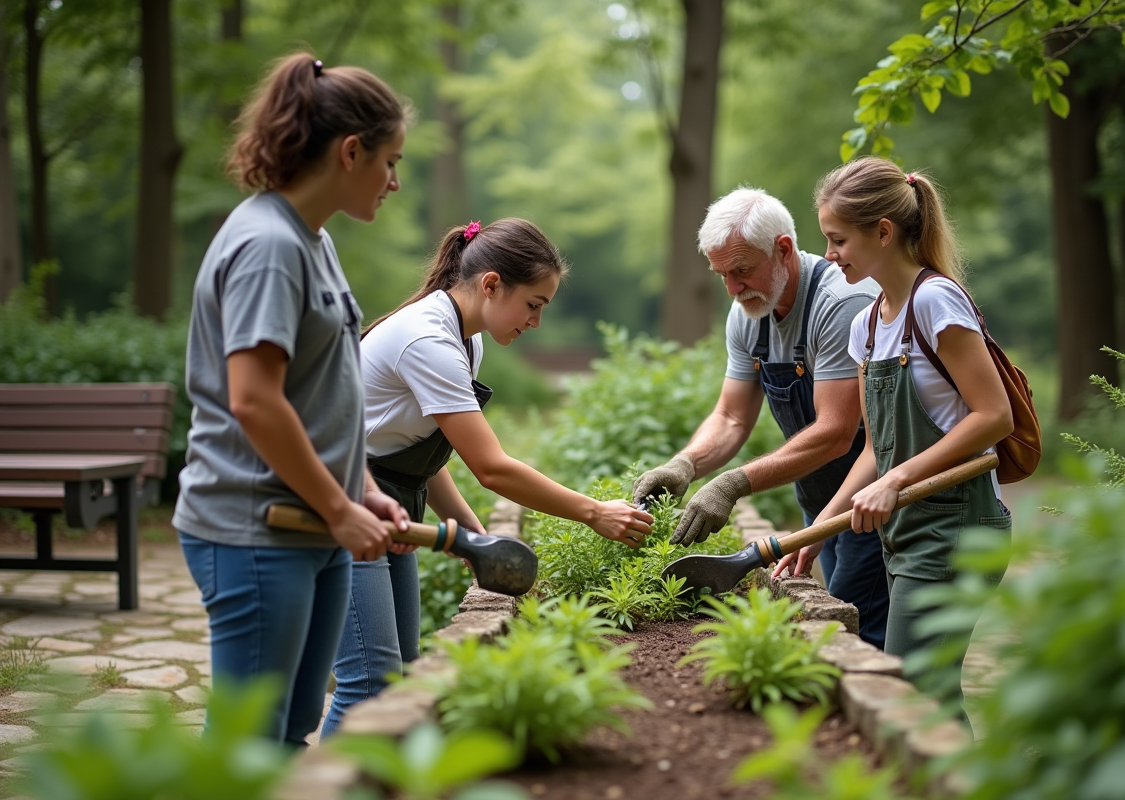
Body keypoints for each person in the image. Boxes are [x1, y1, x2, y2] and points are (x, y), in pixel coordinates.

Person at [320, 217, 653, 736]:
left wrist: (472, 538)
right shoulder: (427, 339)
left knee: (399, 675)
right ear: (492, 284)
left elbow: (425, 455)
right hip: (345, 500)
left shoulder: (465, 337)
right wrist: (593, 511)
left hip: (392, 502)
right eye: (534, 305)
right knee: (369, 685)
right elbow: (492, 468)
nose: (536, 322)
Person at [172, 53, 415, 747]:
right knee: (250, 744)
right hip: (255, 528)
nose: (394, 181)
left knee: (293, 729)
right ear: (349, 152)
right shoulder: (267, 245)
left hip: (314, 525)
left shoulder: (315, 240)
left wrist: (359, 487)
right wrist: (340, 507)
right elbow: (254, 401)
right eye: (390, 162)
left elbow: (320, 391)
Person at [773, 156, 1013, 710]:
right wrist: (823, 531)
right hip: (907, 533)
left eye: (838, 240)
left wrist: (897, 478)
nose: (829, 256)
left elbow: (993, 416)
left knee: (916, 695)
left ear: (883, 232)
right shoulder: (869, 322)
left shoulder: (936, 301)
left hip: (958, 529)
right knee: (921, 695)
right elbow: (879, 449)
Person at [632, 187, 890, 650]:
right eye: (722, 275)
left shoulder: (840, 302)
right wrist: (685, 465)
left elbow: (835, 432)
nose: (732, 288)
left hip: (872, 502)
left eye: (742, 270)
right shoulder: (748, 311)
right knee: (849, 629)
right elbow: (731, 416)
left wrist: (733, 484)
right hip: (820, 500)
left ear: (783, 249)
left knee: (864, 642)